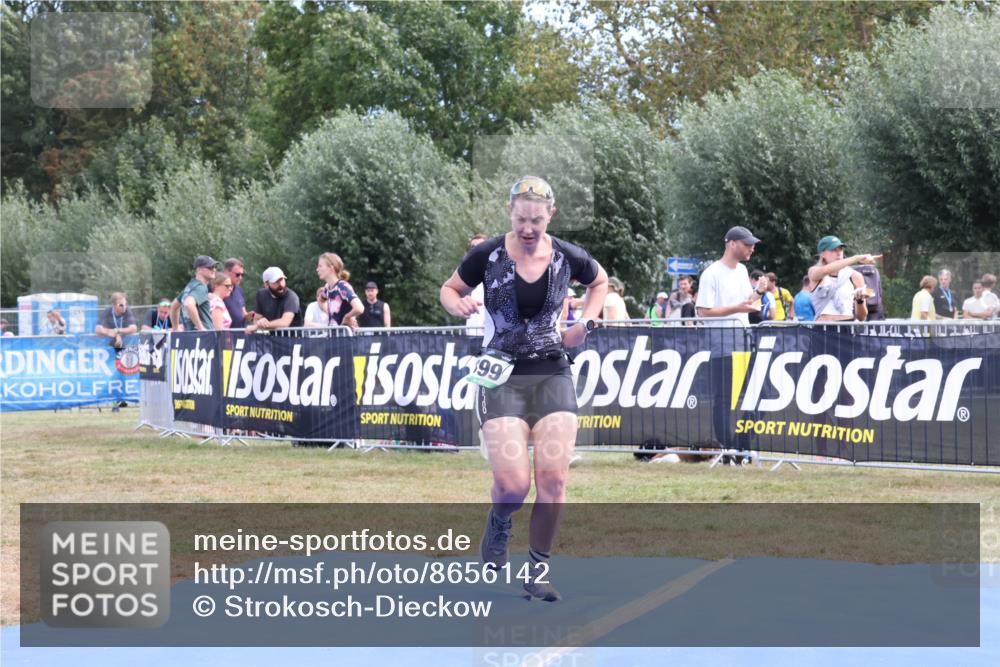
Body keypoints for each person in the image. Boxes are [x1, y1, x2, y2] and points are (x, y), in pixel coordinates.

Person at [439, 175, 608, 602]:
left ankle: (537, 571)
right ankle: (499, 521)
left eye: (536, 220)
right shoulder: (488, 253)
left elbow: (600, 282)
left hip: (552, 371)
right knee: (514, 485)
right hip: (500, 376)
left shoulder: (568, 256)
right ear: (509, 214)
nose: (528, 228)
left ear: (551, 215)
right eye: (520, 220)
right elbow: (450, 287)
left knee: (553, 480)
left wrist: (584, 323)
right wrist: (456, 302)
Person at [696, 226, 761, 459]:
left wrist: (759, 292)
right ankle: (728, 449)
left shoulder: (743, 270)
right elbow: (702, 311)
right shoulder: (711, 273)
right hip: (722, 341)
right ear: (732, 243)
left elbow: (747, 302)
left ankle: (741, 445)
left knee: (758, 394)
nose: (752, 248)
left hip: (743, 338)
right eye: (747, 244)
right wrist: (737, 309)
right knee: (724, 398)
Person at [807, 236, 880, 322]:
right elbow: (826, 270)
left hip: (846, 329)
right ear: (822, 254)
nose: (839, 253)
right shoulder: (814, 271)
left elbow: (862, 317)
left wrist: (859, 300)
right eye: (833, 250)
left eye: (841, 249)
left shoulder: (855, 276)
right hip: (823, 329)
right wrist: (856, 258)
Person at [247, 266, 302, 333]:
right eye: (276, 282)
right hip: (271, 340)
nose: (281, 284)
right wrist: (260, 322)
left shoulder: (291, 297)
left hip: (293, 340)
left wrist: (258, 326)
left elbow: (284, 322)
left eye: (282, 280)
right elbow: (257, 319)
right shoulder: (261, 294)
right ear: (266, 285)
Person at [315, 253, 364, 329]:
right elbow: (320, 300)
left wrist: (347, 317)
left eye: (320, 266)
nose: (317, 269)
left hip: (346, 337)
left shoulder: (342, 287)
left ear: (331, 268)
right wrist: (332, 315)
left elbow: (359, 308)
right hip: (334, 335)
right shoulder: (327, 288)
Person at [171, 256, 218, 331]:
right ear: (199, 270)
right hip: (203, 337)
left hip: (190, 336)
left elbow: (174, 306)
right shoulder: (201, 287)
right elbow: (188, 304)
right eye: (210, 267)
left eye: (214, 267)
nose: (214, 270)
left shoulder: (189, 286)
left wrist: (175, 328)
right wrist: (201, 328)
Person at [465, 234, 489, 332]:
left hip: (492, 334)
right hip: (472, 331)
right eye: (473, 247)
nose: (475, 249)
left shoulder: (499, 272)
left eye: (480, 246)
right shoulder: (465, 275)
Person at [222, 258, 251, 328]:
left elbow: (243, 312)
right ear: (226, 272)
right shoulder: (218, 288)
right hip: (225, 334)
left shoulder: (239, 289)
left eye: (242, 275)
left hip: (240, 332)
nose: (240, 277)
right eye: (237, 274)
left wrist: (249, 315)